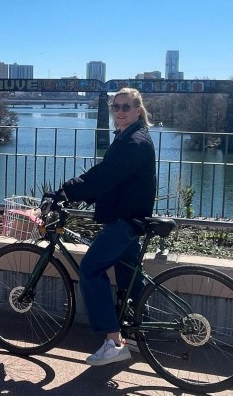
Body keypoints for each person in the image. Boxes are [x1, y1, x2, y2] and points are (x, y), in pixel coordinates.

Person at [46, 87, 157, 366]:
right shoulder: (128, 137)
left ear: (138, 111)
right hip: (128, 215)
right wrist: (88, 195)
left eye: (126, 107)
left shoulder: (135, 142)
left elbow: (105, 175)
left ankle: (113, 341)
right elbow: (115, 179)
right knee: (130, 274)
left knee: (91, 269)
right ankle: (138, 332)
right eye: (116, 107)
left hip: (125, 220)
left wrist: (65, 192)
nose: (120, 112)